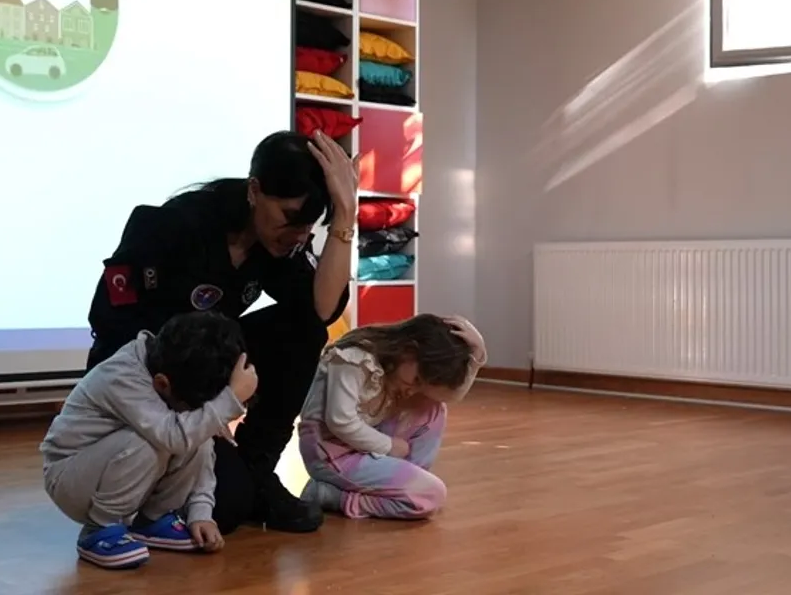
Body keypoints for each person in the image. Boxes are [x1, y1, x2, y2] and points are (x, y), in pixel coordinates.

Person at [85, 130, 358, 535]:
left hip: (203, 370)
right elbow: (113, 327)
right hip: (142, 378)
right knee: (225, 507)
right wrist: (204, 411)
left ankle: (257, 469)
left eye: (309, 226)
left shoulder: (280, 245)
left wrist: (346, 214)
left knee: (303, 329)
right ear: (255, 191)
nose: (299, 235)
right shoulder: (174, 225)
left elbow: (322, 309)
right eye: (289, 217)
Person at [40, 311, 259, 570]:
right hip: (69, 478)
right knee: (157, 439)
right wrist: (229, 400)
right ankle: (98, 529)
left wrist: (200, 512)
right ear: (162, 384)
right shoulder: (122, 375)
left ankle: (154, 520)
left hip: (115, 471)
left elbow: (199, 438)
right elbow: (174, 437)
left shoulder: (170, 370)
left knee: (196, 432)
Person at [297, 314, 487, 520]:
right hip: (332, 454)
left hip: (362, 444)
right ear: (409, 351)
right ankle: (330, 495)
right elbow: (340, 421)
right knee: (432, 495)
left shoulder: (397, 370)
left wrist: (477, 357)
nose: (414, 389)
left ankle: (403, 483)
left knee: (433, 407)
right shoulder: (354, 359)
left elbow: (446, 396)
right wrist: (389, 446)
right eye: (417, 380)